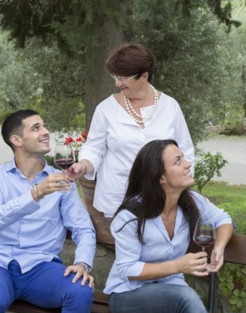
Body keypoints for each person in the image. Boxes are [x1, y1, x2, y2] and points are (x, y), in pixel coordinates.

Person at [0, 109, 96, 313]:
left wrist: (83, 263)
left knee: (81, 291)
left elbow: (83, 228)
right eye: (36, 128)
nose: (45, 132)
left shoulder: (62, 182)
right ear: (16, 140)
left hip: (41, 267)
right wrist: (36, 193)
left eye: (45, 126)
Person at [104, 139, 234, 313]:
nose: (188, 164)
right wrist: (177, 266)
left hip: (170, 292)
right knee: (186, 296)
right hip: (129, 297)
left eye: (183, 158)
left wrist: (219, 248)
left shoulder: (191, 202)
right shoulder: (131, 215)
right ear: (161, 178)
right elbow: (127, 269)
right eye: (178, 161)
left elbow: (223, 220)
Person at [70, 43, 195, 217]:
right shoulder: (106, 109)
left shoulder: (170, 106)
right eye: (115, 76)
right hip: (118, 201)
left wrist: (179, 188)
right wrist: (83, 165)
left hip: (162, 200)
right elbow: (94, 148)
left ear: (143, 76)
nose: (117, 83)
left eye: (122, 78)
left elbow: (186, 151)